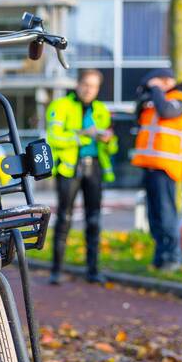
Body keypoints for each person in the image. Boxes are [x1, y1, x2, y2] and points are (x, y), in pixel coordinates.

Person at [46, 69, 118, 284]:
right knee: (64, 219)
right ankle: (56, 271)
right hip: (69, 169)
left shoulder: (102, 110)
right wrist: (81, 135)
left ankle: (93, 271)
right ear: (77, 84)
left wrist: (108, 139)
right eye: (86, 84)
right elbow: (53, 137)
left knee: (94, 219)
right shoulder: (60, 106)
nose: (89, 90)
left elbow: (113, 147)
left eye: (94, 86)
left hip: (94, 168)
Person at [131, 69, 182, 272]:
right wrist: (147, 95)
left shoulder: (181, 99)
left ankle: (172, 257)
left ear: (167, 81)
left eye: (155, 83)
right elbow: (139, 117)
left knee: (167, 215)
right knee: (155, 216)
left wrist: (156, 88)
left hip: (166, 168)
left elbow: (167, 111)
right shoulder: (156, 100)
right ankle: (160, 257)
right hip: (150, 166)